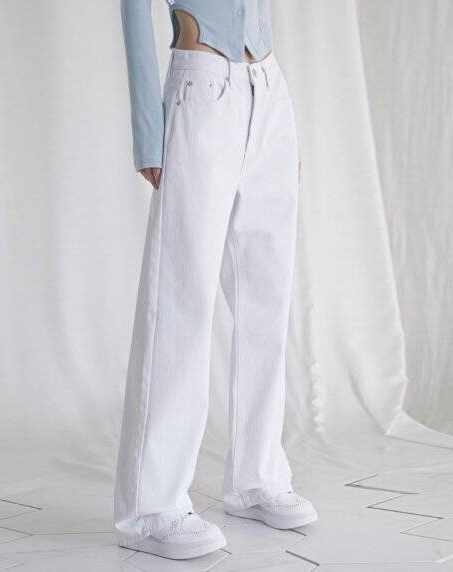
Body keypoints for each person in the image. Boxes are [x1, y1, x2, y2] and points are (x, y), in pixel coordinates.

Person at [113, 0, 318, 560]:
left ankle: (258, 478)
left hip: (267, 89)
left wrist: (277, 118)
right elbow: (134, 11)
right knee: (180, 300)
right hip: (201, 89)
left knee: (267, 301)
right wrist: (148, 132)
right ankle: (151, 508)